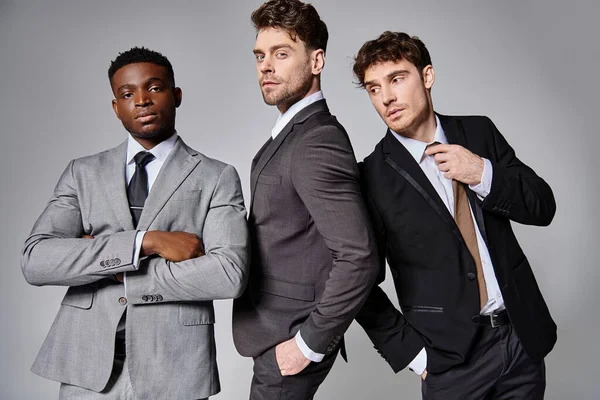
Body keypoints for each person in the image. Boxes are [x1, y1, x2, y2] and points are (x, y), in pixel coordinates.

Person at [21, 47, 249, 399]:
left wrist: (111, 266)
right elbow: (36, 260)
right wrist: (146, 243)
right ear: (116, 107)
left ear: (176, 95)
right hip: (87, 366)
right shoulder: (82, 173)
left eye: (154, 88)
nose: (141, 101)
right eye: (127, 94)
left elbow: (228, 273)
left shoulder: (216, 177)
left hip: (176, 365)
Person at [353, 31, 556, 399]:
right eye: (373, 88)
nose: (386, 98)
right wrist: (412, 355)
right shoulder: (372, 177)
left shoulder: (478, 132)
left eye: (397, 79)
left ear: (427, 76)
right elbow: (357, 278)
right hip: (452, 363)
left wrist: (482, 173)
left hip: (521, 341)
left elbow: (543, 206)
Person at [232, 1, 379, 399]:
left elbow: (359, 256)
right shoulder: (290, 133)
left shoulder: (316, 140)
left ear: (316, 62)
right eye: (260, 56)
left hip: (289, 338)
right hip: (271, 330)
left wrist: (307, 345)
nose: (266, 66)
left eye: (282, 54)